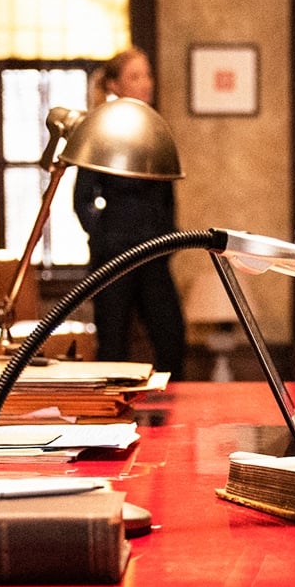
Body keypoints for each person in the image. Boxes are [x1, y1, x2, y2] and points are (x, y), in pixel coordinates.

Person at [74, 47, 187, 377]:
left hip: (154, 251)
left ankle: (173, 405)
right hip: (114, 256)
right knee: (113, 343)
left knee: (172, 337)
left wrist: (168, 236)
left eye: (147, 75)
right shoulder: (101, 130)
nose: (146, 83)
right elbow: (82, 199)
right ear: (115, 85)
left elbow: (168, 195)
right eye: (135, 76)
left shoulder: (156, 130)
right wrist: (104, 235)